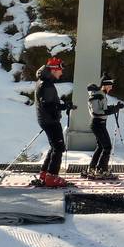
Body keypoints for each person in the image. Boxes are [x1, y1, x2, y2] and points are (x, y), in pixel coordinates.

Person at [34, 57, 76, 188]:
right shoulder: (46, 84)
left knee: (54, 147)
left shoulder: (45, 81)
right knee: (58, 148)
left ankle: (45, 173)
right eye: (60, 70)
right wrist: (62, 106)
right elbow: (47, 105)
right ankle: (51, 177)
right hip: (50, 120)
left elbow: (49, 103)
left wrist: (63, 106)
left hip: (47, 119)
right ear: (53, 70)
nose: (61, 73)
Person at [84, 76, 124, 180]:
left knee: (101, 146)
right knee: (107, 147)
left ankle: (92, 168)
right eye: (110, 85)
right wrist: (113, 110)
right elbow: (96, 112)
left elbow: (103, 109)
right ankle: (102, 170)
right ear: (105, 85)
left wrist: (115, 107)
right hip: (97, 123)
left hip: (100, 123)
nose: (111, 88)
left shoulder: (101, 94)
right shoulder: (97, 95)